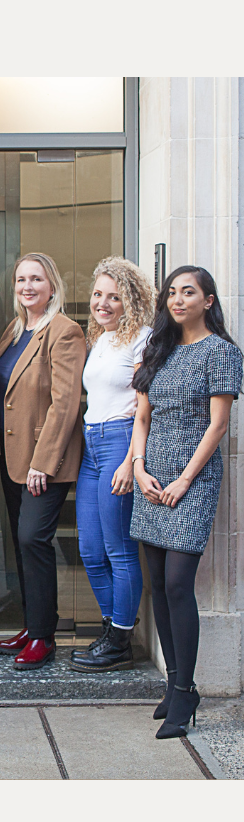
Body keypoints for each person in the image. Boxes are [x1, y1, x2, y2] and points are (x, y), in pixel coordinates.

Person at [131, 266, 242, 739]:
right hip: (151, 477)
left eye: (189, 292)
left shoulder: (220, 352)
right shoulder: (160, 349)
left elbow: (218, 426)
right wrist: (138, 468)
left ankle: (186, 688)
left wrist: (183, 481)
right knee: (156, 582)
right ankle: (176, 686)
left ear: (209, 301)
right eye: (172, 292)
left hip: (191, 479)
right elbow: (141, 417)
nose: (178, 300)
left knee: (178, 583)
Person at [0, 252, 86, 670]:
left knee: (33, 539)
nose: (28, 287)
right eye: (21, 280)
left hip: (42, 462)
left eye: (36, 279)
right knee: (20, 541)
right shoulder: (16, 329)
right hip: (13, 458)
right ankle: (33, 625)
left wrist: (43, 463)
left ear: (52, 286)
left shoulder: (64, 331)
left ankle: (45, 637)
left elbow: (65, 404)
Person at [70, 257, 155, 672]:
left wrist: (130, 461)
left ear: (131, 300)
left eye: (114, 297)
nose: (103, 303)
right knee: (89, 548)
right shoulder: (102, 338)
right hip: (91, 445)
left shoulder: (142, 340)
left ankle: (120, 641)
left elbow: (145, 408)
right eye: (98, 295)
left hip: (120, 443)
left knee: (119, 550)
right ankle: (111, 629)